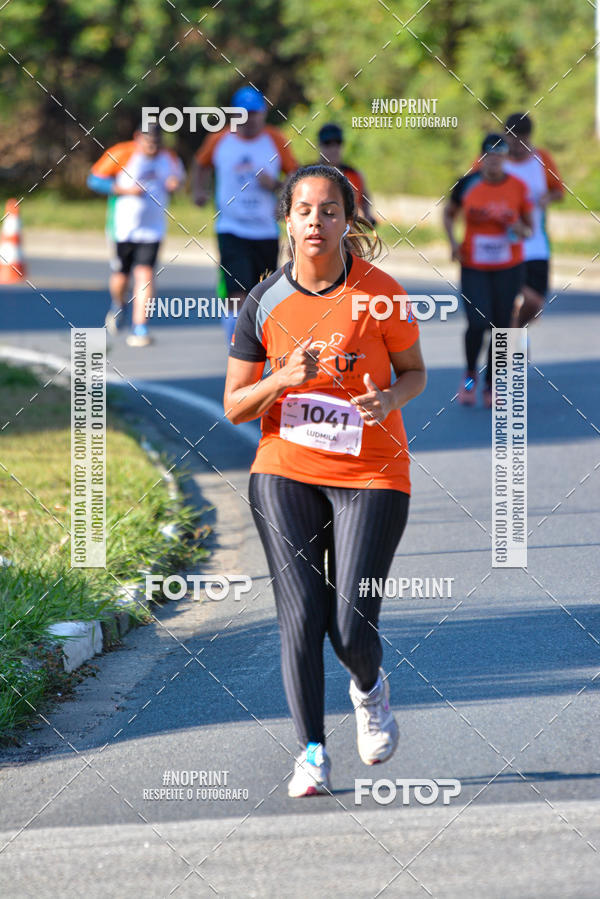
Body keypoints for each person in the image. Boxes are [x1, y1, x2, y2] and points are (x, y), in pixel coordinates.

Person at [223, 164, 426, 797]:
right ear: (288, 219)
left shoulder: (381, 293)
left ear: (347, 219)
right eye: (305, 210)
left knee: (350, 626)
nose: (317, 221)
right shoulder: (263, 302)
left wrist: (389, 399)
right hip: (286, 467)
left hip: (372, 472)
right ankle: (311, 750)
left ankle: (369, 687)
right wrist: (282, 379)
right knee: (301, 615)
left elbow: (416, 372)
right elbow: (234, 405)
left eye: (330, 210)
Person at [193, 86, 298, 344]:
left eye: (255, 114)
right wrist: (199, 190)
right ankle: (235, 347)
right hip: (232, 227)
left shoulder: (275, 139)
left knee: (260, 294)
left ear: (263, 114)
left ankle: (255, 348)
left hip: (265, 230)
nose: (250, 120)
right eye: (244, 114)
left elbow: (296, 177)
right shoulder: (220, 139)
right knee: (236, 292)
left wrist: (278, 190)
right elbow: (200, 164)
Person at [443, 134, 533, 407]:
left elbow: (529, 228)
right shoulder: (467, 184)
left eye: (499, 155)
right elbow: (449, 213)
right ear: (481, 158)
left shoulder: (518, 187)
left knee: (500, 328)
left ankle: (491, 385)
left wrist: (519, 229)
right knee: (477, 323)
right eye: (489, 155)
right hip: (474, 266)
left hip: (508, 267)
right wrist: (453, 242)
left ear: (505, 159)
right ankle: (470, 375)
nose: (494, 161)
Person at [87, 123, 184, 347]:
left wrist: (175, 184)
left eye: (157, 143)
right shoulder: (122, 153)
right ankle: (118, 303)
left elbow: (179, 179)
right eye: (149, 142)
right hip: (122, 228)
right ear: (138, 137)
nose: (153, 147)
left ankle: (140, 327)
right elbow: (93, 180)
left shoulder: (168, 157)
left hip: (152, 229)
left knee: (145, 275)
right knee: (121, 276)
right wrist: (124, 190)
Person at [503, 112, 564, 330]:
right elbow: (468, 187)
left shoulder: (542, 159)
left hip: (535, 244)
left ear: (530, 137)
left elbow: (559, 191)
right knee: (507, 304)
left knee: (534, 303)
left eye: (523, 141)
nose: (518, 147)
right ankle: (507, 353)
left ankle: (513, 334)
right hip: (503, 245)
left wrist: (547, 197)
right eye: (513, 141)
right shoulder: (493, 160)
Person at [317, 123, 376, 225]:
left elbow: (365, 200)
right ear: (319, 145)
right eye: (327, 143)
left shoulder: (354, 175)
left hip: (347, 233)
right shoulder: (307, 174)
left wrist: (367, 216)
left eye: (337, 143)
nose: (333, 148)